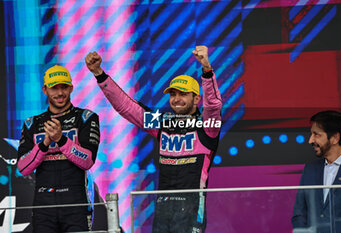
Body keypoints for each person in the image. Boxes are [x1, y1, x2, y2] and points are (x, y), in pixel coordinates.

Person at [85, 45, 222, 233]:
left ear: (196, 99)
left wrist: (207, 70)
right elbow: (127, 106)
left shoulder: (207, 126)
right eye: (173, 94)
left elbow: (213, 105)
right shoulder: (162, 123)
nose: (176, 99)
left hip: (191, 209)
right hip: (163, 209)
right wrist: (100, 75)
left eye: (183, 94)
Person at [17, 65, 100, 232]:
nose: (60, 93)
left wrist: (61, 140)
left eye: (64, 87)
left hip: (76, 204)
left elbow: (87, 161)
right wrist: (44, 144)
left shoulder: (86, 117)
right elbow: (23, 167)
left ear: (71, 88)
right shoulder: (31, 124)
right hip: (43, 206)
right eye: (54, 88)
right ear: (45, 90)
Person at [292, 110, 341, 233]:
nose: (310, 140)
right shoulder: (310, 169)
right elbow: (299, 213)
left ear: (335, 138)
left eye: (316, 134)